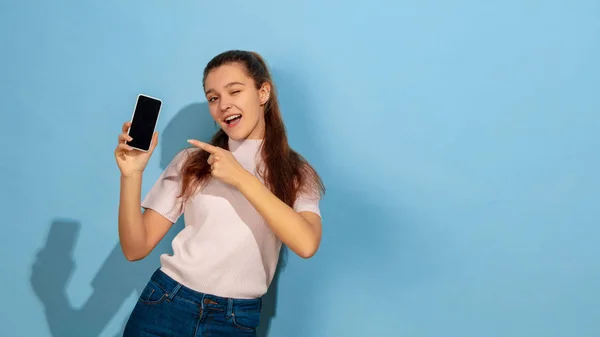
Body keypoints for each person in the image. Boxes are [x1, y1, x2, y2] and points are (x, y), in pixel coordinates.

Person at [114, 50, 325, 336]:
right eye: (213, 98)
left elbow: (306, 243)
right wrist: (131, 174)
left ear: (263, 93)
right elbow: (134, 248)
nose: (223, 105)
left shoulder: (297, 172)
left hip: (234, 320)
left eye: (234, 91)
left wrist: (241, 178)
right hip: (165, 303)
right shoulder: (192, 161)